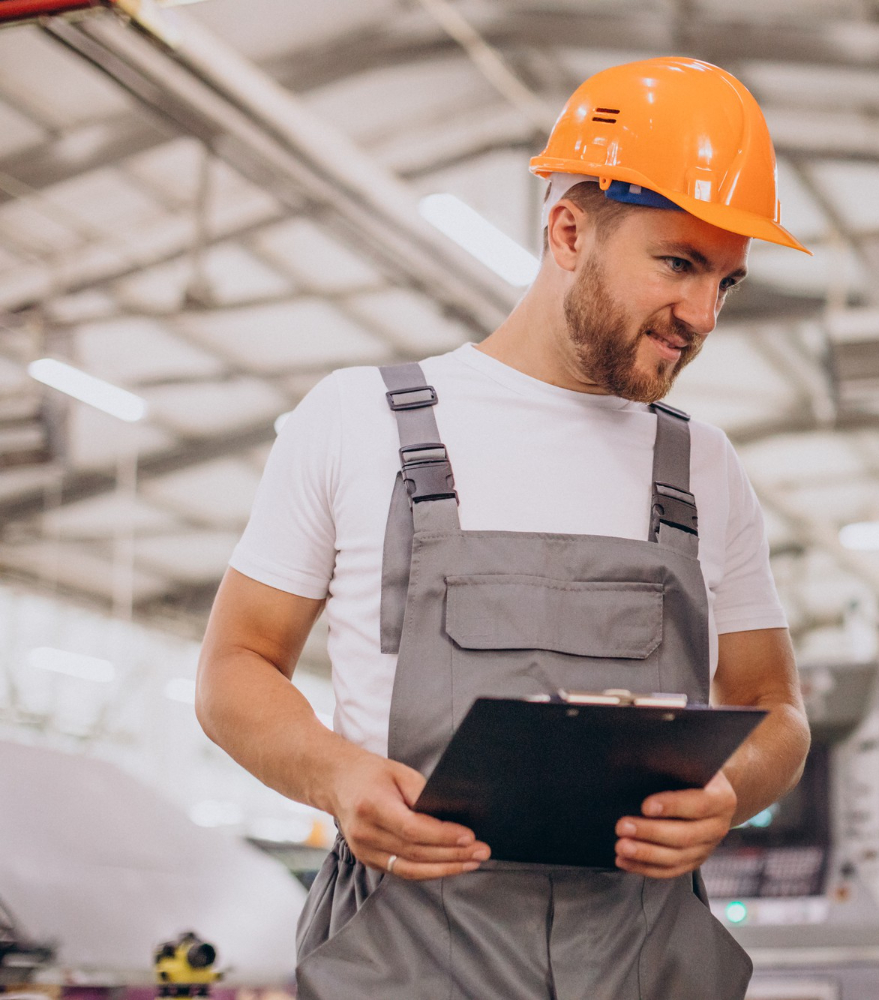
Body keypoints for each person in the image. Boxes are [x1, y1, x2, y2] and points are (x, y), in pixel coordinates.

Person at [195, 56, 812, 999]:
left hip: (643, 965)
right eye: (678, 263)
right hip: (407, 959)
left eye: (726, 281)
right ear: (569, 230)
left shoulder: (704, 469)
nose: (701, 314)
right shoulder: (360, 420)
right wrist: (339, 777)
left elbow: (778, 710)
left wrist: (731, 794)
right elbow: (235, 667)